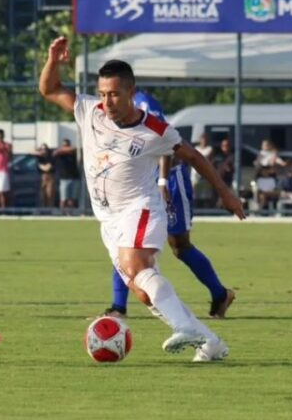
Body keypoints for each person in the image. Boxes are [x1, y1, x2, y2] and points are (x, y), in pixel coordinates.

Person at [40, 37, 245, 362]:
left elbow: (194, 157)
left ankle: (185, 326)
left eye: (115, 94)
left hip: (140, 209)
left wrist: (225, 193)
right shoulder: (89, 111)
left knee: (139, 268)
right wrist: (53, 58)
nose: (107, 101)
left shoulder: (155, 130)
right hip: (108, 221)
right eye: (104, 93)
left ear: (131, 92)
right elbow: (50, 89)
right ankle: (210, 342)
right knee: (142, 290)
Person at [101, 89, 236, 321]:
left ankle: (220, 294)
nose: (107, 97)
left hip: (170, 178)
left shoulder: (144, 103)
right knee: (126, 238)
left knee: (180, 246)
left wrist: (163, 182)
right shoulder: (112, 108)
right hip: (140, 180)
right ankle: (118, 307)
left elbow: (164, 143)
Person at [53, 138, 80, 209]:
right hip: (64, 179)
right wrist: (65, 149)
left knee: (73, 199)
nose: (66, 147)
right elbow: (56, 152)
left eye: (67, 145)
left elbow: (75, 149)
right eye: (64, 145)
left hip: (74, 178)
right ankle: (62, 213)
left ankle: (71, 213)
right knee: (63, 199)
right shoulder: (59, 154)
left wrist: (69, 150)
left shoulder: (74, 153)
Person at [191, 133, 213, 208]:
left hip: (205, 174)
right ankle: (196, 208)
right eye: (203, 139)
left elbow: (207, 158)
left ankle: (206, 209)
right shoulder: (196, 148)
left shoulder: (209, 149)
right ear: (200, 140)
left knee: (206, 194)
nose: (204, 141)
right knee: (195, 193)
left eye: (206, 139)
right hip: (196, 175)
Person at [33, 143, 56, 207]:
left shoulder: (51, 157)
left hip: (50, 177)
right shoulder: (39, 158)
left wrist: (42, 166)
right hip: (42, 178)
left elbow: (48, 168)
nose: (44, 150)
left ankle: (50, 210)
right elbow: (30, 151)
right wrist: (38, 152)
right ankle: (43, 210)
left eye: (45, 149)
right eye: (42, 149)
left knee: (49, 195)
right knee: (42, 196)